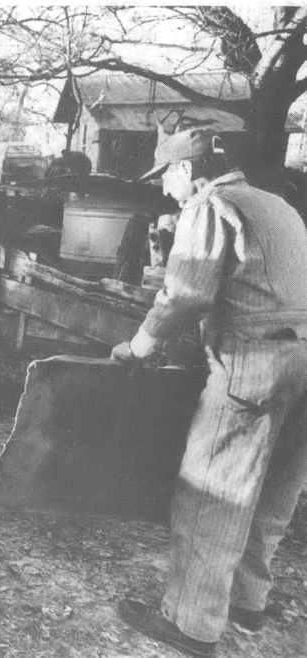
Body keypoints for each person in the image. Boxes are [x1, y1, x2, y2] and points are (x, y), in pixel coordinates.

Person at [110, 127, 307, 657]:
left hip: (254, 364)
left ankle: (191, 621)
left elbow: (187, 294)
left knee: (214, 488)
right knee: (274, 489)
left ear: (186, 170)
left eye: (164, 177)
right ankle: (248, 602)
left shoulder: (209, 206)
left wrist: (141, 346)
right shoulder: (277, 203)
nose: (164, 189)